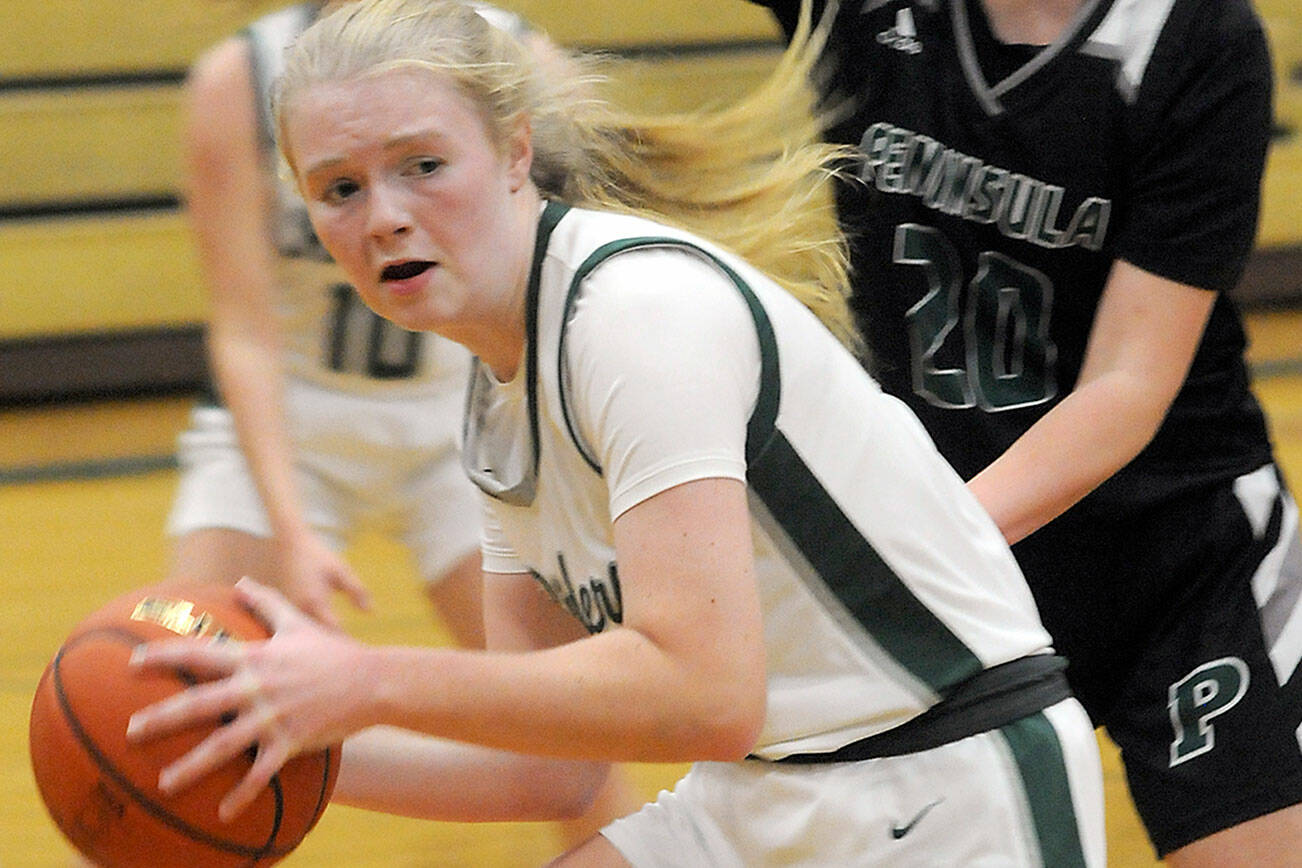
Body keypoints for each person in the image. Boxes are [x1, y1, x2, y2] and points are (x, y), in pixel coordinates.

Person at [126, 0, 1106, 864]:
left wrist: (367, 680)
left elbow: (706, 692)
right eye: (339, 189)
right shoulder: (497, 389)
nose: (383, 215)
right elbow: (547, 775)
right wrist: (278, 741)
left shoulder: (633, 314)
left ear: (515, 150)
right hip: (764, 787)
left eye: (422, 166)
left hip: (942, 773)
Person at [748, 0, 1302, 863]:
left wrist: (923, 541)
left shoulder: (1197, 39)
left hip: (1182, 559)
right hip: (965, 584)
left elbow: (1128, 382)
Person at [161, 0, 638, 850]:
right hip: (288, 416)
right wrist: (292, 527)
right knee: (163, 709)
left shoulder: (515, 57)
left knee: (571, 746)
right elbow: (244, 329)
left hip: (463, 409)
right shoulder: (239, 79)